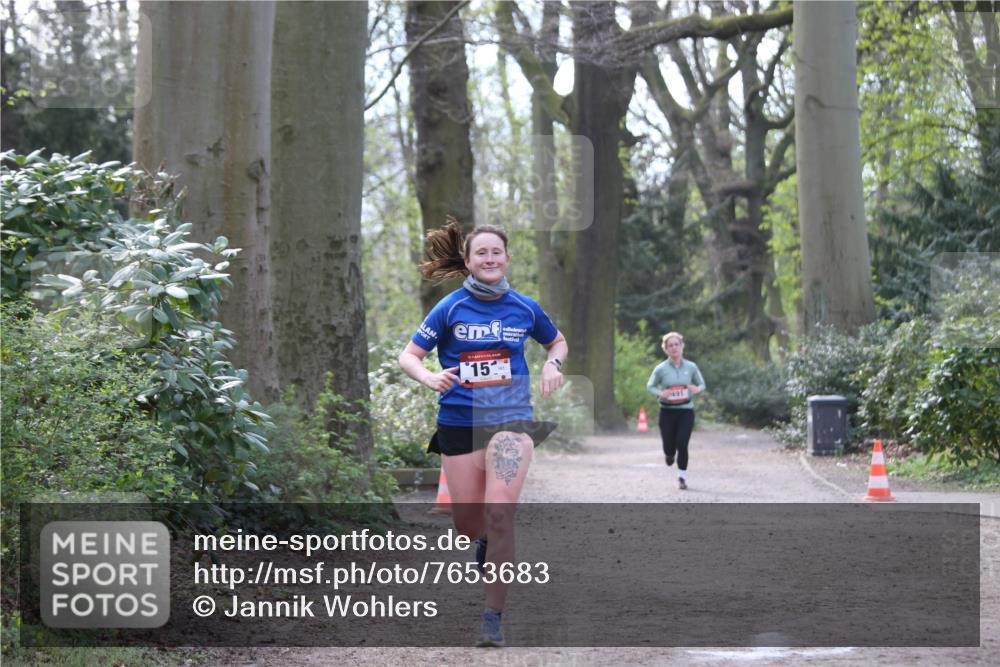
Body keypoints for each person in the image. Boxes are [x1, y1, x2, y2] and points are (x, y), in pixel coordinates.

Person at [398, 220, 568, 647]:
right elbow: (409, 356)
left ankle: (493, 617)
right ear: (469, 262)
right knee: (468, 525)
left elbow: (557, 342)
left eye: (497, 252)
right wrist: (430, 377)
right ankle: (484, 541)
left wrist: (554, 364)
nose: (490, 259)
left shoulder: (525, 308)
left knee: (500, 512)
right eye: (481, 253)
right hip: (458, 421)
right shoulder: (450, 308)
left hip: (510, 419)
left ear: (507, 258)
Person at [646, 331, 706, 490]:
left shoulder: (691, 367)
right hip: (667, 412)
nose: (674, 348)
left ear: (682, 346)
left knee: (682, 443)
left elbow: (702, 384)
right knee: (669, 446)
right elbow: (650, 386)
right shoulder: (660, 369)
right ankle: (669, 454)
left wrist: (697, 389)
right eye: (670, 345)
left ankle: (682, 477)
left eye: (676, 344)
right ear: (665, 349)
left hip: (686, 411)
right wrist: (660, 393)